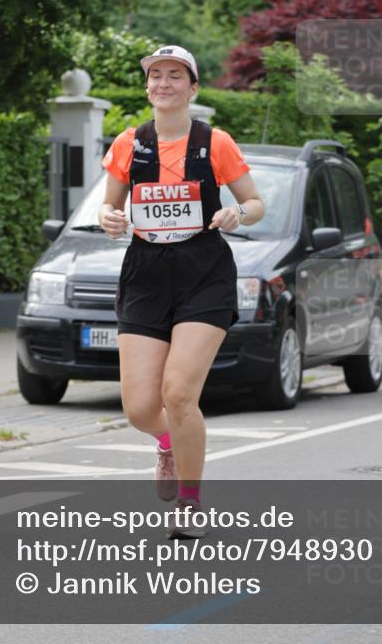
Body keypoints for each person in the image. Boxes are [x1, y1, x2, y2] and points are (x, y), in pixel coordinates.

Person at [99, 46, 264, 537]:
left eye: (175, 75)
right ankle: (168, 444)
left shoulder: (215, 143)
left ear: (192, 87)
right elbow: (110, 210)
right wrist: (109, 219)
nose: (163, 83)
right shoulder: (129, 144)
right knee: (140, 409)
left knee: (178, 391)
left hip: (203, 271)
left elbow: (254, 202)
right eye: (155, 75)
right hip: (145, 272)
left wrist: (239, 213)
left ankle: (190, 504)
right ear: (147, 86)